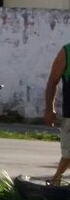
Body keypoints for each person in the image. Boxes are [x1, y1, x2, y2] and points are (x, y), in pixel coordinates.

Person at [43, 44, 70, 185]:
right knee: (68, 154)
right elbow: (52, 81)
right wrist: (49, 109)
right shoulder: (67, 52)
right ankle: (56, 180)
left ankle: (55, 179)